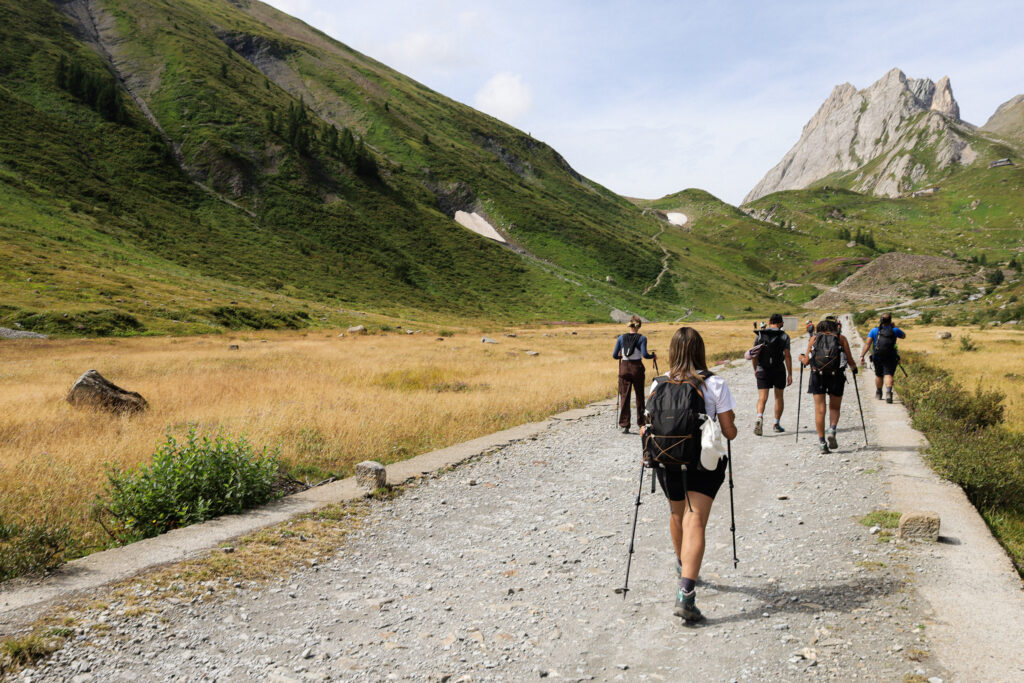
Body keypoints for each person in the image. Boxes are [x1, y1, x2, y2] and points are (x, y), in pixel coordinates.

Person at [641, 327, 737, 622]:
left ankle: (683, 563)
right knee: (695, 517)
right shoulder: (715, 384)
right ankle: (686, 592)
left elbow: (648, 426)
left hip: (667, 460)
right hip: (703, 462)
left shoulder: (658, 384)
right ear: (700, 350)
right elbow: (730, 432)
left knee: (677, 512)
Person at [799, 319, 858, 454]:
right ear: (834, 328)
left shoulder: (814, 338)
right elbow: (849, 359)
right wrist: (854, 369)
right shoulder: (841, 338)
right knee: (834, 407)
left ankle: (822, 442)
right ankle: (832, 429)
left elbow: (806, 361)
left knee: (820, 409)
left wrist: (801, 358)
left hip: (817, 375)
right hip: (836, 375)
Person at [613, 316, 656, 434]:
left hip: (624, 368)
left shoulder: (621, 338)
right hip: (637, 368)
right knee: (639, 395)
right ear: (639, 326)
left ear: (629, 326)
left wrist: (621, 356)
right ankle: (641, 423)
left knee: (624, 396)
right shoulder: (642, 338)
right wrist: (653, 356)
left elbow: (614, 355)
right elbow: (645, 355)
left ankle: (625, 424)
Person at [751, 313, 792, 435]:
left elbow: (754, 355)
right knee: (778, 397)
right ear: (781, 323)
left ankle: (759, 417)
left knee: (762, 397)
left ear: (769, 322)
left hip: (762, 369)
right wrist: (790, 373)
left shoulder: (760, 335)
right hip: (778, 369)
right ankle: (776, 423)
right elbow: (788, 356)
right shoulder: (784, 336)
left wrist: (755, 369)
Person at [861, 312, 906, 403]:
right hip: (891, 356)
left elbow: (867, 344)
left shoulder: (874, 331)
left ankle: (879, 393)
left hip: (877, 356)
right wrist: (894, 327)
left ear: (880, 321)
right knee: (888, 374)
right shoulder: (895, 330)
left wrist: (862, 355)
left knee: (878, 375)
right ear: (890, 321)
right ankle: (889, 392)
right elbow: (904, 336)